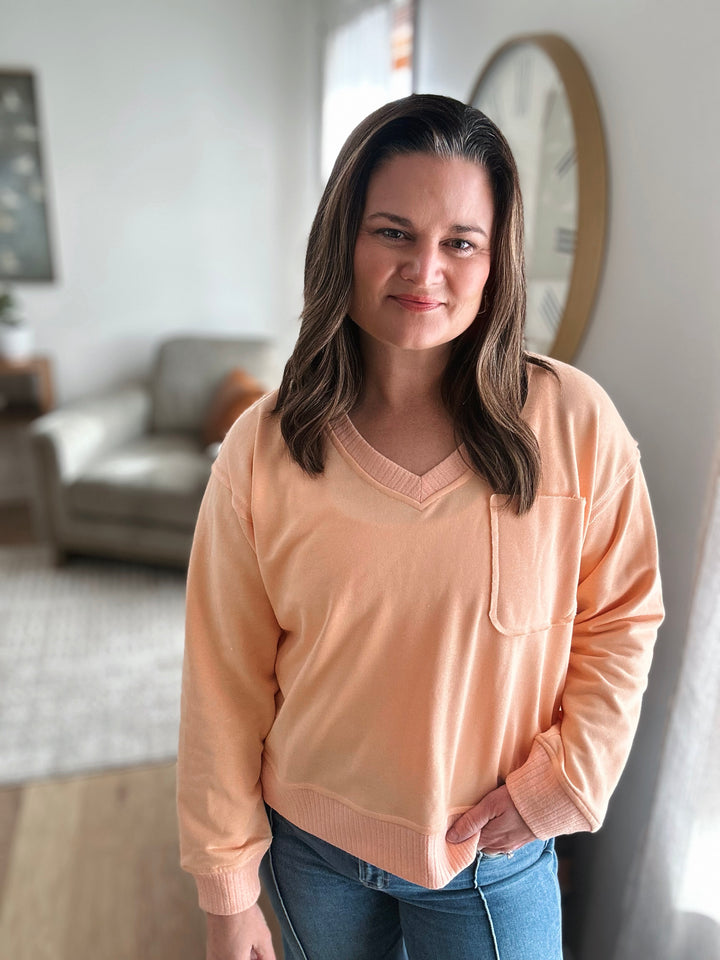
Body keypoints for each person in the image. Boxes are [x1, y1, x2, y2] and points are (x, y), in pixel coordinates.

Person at [177, 94, 664, 960]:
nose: (425, 270)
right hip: (307, 852)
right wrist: (227, 892)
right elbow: (222, 678)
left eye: (460, 242)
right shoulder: (264, 446)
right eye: (393, 232)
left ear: (495, 259)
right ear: (345, 241)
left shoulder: (575, 422)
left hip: (494, 855)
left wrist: (566, 782)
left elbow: (622, 617)